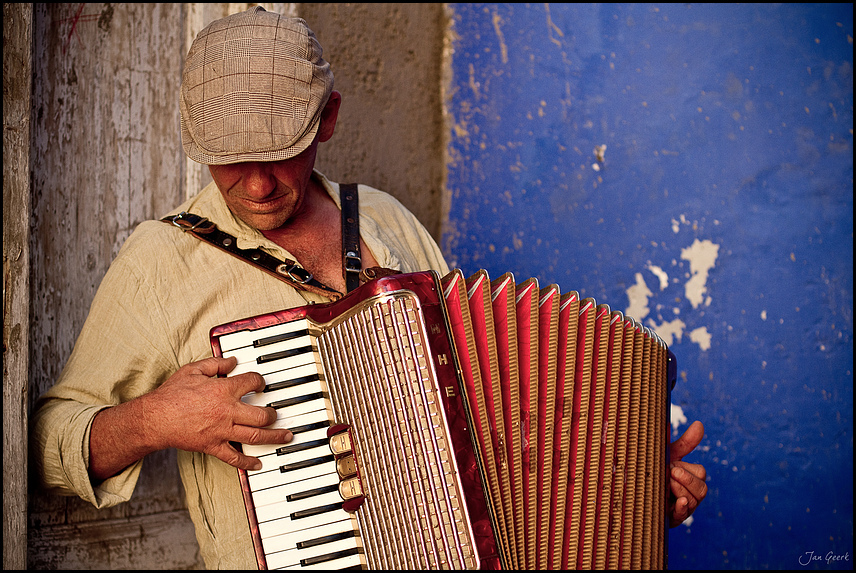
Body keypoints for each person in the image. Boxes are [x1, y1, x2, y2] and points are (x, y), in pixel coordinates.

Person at [31, 6, 706, 569]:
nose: (259, 184)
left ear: (327, 120)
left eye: (281, 150)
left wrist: (628, 486)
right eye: (233, 160)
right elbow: (48, 442)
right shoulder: (163, 260)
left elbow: (484, 414)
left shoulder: (387, 219)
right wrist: (154, 420)